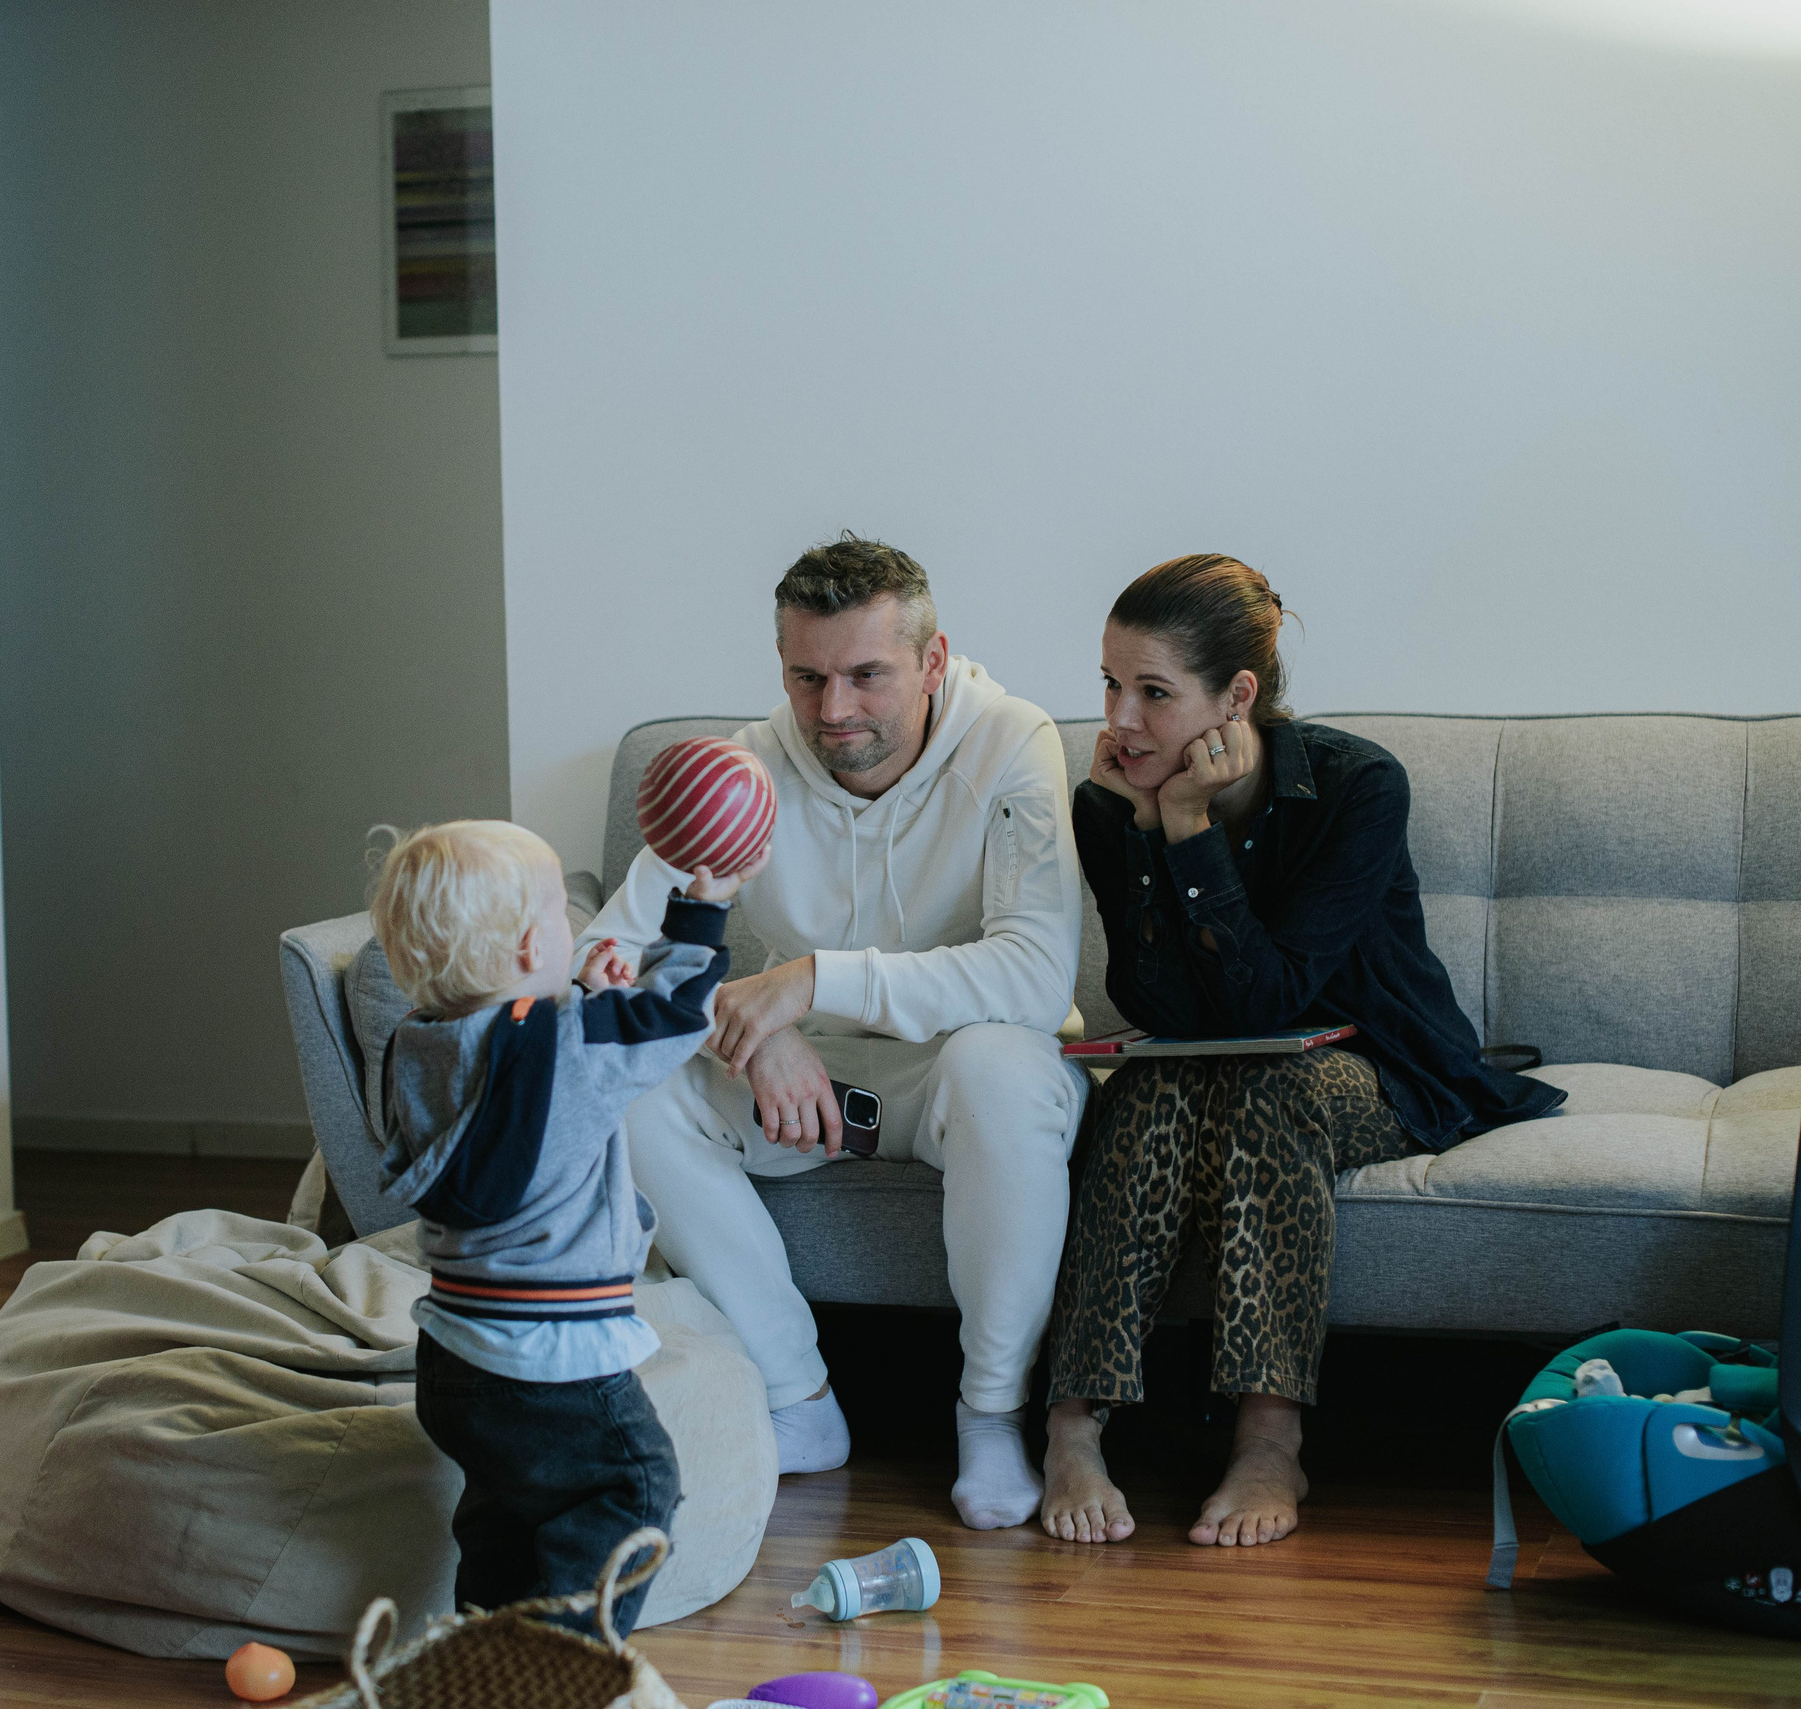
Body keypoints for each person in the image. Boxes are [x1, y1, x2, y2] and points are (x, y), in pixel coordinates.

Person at [1039, 554, 1565, 1549]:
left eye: (1153, 692)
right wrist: (1143, 829)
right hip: (1217, 1062)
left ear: (1236, 697)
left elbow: (1272, 997)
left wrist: (1186, 830)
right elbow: (1153, 1001)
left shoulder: (1358, 786)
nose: (1119, 720)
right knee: (1139, 1095)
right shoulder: (1107, 800)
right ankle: (1073, 1422)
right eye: (1109, 684)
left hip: (1380, 1061)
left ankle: (1270, 1437)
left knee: (1267, 1090)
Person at [580, 536, 1086, 1531]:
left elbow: (1033, 976)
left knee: (1000, 1064)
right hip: (808, 1091)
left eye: (866, 675)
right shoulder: (742, 768)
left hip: (961, 1078)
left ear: (933, 661)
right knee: (625, 1080)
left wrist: (811, 979)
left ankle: (991, 1414)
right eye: (806, 677)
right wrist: (746, 1024)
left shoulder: (1012, 740)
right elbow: (603, 957)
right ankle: (796, 1398)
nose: (833, 710)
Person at [369, 818, 756, 1629]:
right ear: (525, 947)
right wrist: (703, 906)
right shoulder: (572, 1049)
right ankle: (558, 1665)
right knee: (635, 1487)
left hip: (454, 1358)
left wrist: (579, 997)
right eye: (558, 910)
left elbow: (513, 1063)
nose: (572, 924)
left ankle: (484, 1653)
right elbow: (674, 1013)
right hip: (551, 1359)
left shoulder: (415, 1046)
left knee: (508, 1512)